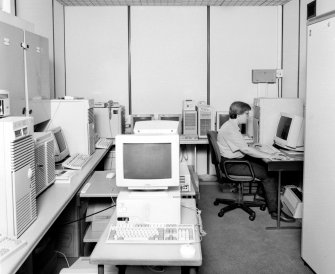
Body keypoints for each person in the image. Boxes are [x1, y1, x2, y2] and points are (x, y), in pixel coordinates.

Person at [217, 101, 295, 222]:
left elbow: (241, 145)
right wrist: (271, 155)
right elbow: (246, 150)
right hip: (232, 165)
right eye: (247, 114)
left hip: (234, 160)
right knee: (269, 175)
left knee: (264, 165)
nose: (248, 117)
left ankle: (264, 194)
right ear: (238, 114)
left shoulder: (230, 126)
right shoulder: (230, 129)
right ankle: (276, 212)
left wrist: (252, 145)